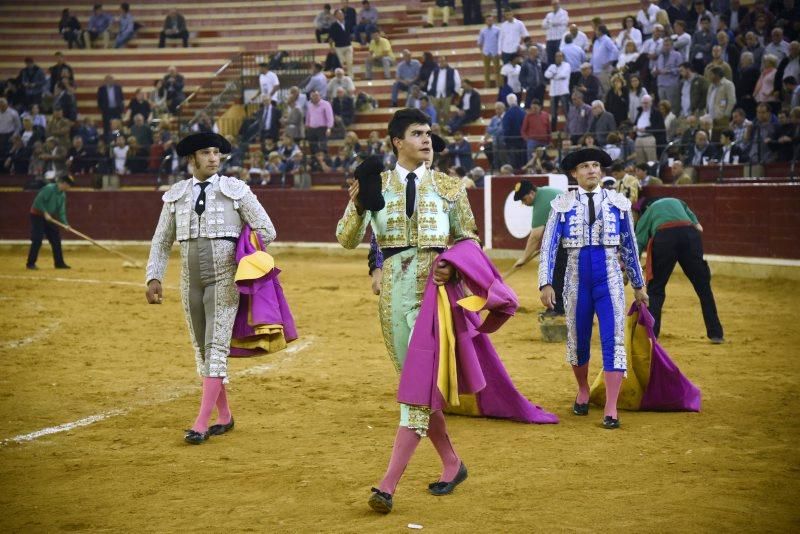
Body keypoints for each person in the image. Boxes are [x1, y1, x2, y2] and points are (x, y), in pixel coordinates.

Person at [336, 108, 479, 514]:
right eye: (417, 133)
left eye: (429, 133)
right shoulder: (376, 186)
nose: (427, 140)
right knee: (416, 386)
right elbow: (346, 239)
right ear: (397, 141)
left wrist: (453, 263)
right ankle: (452, 462)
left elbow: (469, 239)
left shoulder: (451, 187)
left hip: (435, 296)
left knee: (416, 390)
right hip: (393, 299)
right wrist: (356, 204)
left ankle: (387, 484)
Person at [145, 132, 276, 444]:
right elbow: (162, 242)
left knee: (216, 347)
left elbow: (266, 229)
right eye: (206, 153)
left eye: (217, 153)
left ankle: (202, 422)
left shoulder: (236, 190)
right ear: (192, 159)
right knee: (202, 349)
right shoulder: (175, 195)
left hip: (224, 279)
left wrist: (242, 252)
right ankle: (225, 415)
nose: (214, 158)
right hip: (189, 282)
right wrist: (154, 277)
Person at [539, 147, 648, 429]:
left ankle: (611, 406)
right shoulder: (560, 205)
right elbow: (549, 246)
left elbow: (629, 247)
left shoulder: (618, 203)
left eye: (596, 165)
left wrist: (638, 285)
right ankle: (584, 389)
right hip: (575, 280)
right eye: (585, 166)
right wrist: (546, 283)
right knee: (578, 340)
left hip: (609, 279)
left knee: (614, 339)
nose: (592, 170)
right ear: (574, 173)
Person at [634, 197, 723, 343]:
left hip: (665, 237)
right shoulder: (678, 202)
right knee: (703, 288)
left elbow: (638, 242)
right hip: (689, 234)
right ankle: (716, 333)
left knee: (656, 289)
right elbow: (699, 227)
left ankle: (652, 334)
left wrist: (631, 269)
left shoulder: (649, 211)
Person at [511, 180, 566, 315]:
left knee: (556, 271)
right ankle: (563, 307)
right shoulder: (545, 193)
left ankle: (558, 309)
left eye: (524, 199)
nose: (523, 203)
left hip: (568, 240)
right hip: (569, 238)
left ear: (531, 193)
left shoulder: (541, 202)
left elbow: (535, 236)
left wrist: (524, 258)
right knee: (563, 272)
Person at [26, 174, 74, 270]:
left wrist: (65, 224)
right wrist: (45, 212)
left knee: (56, 239)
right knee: (37, 238)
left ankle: (59, 263)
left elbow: (61, 211)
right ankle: (30, 263)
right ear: (63, 183)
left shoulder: (62, 195)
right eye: (69, 185)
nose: (69, 187)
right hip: (37, 216)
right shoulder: (49, 189)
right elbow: (38, 201)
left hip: (49, 218)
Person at [545, 51, 571, 130]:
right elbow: (546, 75)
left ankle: (570, 129)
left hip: (563, 91)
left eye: (560, 56)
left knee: (567, 112)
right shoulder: (552, 66)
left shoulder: (566, 65)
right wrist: (554, 74)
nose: (558, 58)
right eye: (557, 56)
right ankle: (553, 130)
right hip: (553, 92)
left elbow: (563, 75)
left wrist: (553, 75)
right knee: (553, 113)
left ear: (563, 57)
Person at [478, 14, 501, 88]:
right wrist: (482, 51)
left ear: (493, 20)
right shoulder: (482, 30)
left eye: (491, 20)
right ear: (485, 21)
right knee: (486, 71)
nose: (490, 21)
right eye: (488, 20)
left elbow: (500, 41)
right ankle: (487, 86)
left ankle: (498, 86)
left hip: (495, 52)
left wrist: (499, 51)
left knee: (497, 71)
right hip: (486, 52)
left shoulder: (498, 30)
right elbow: (480, 42)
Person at [328, 9, 354, 76]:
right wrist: (331, 47)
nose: (341, 15)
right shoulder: (333, 26)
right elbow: (331, 38)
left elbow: (351, 33)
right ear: (335, 16)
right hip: (339, 47)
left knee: (350, 63)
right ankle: (342, 77)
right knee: (341, 64)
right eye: (339, 14)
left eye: (342, 14)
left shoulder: (348, 23)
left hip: (348, 46)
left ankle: (351, 78)